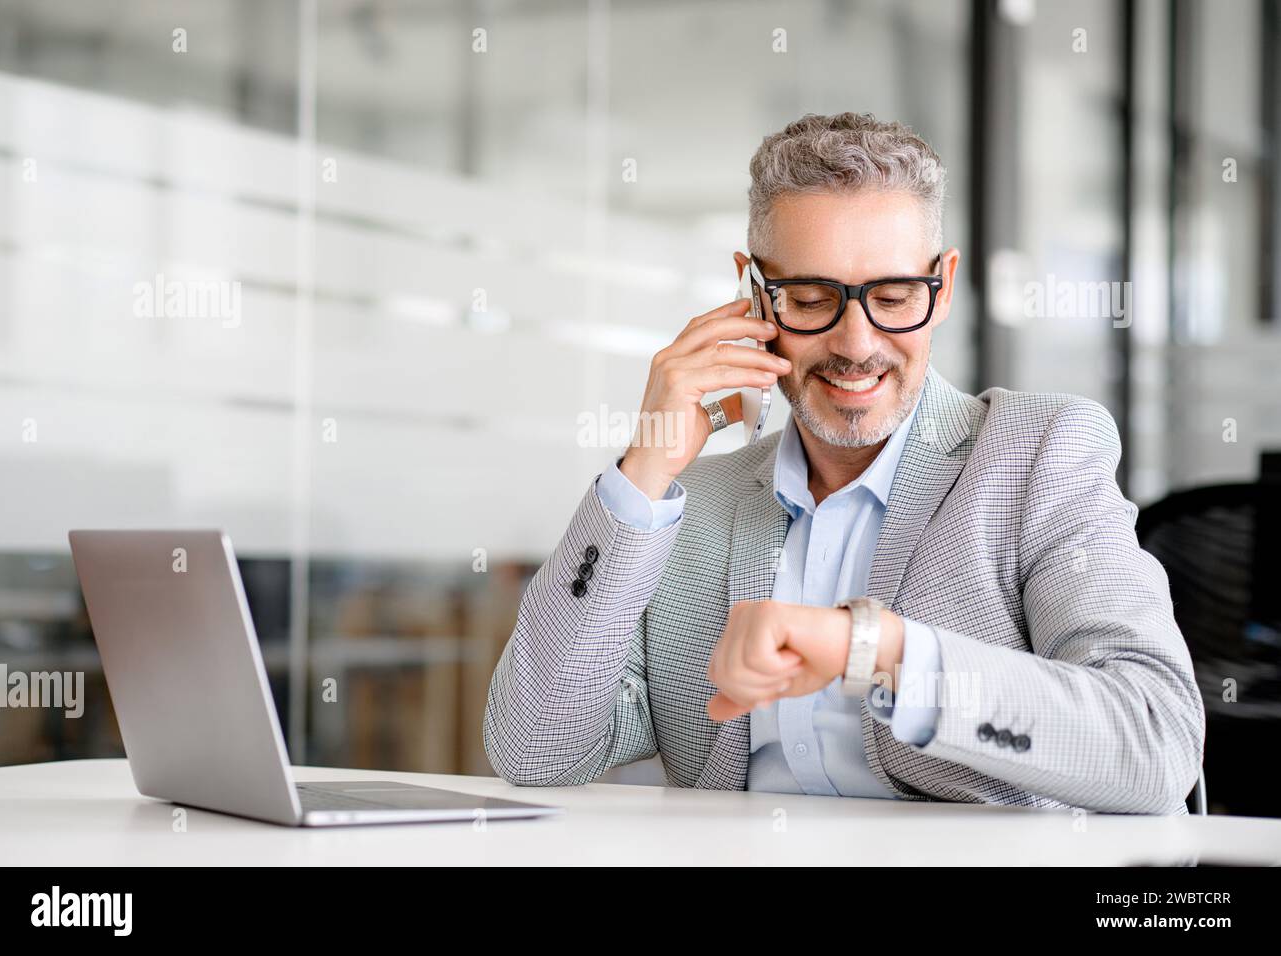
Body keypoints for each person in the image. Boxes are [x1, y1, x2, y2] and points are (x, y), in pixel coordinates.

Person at [483, 111, 1205, 813]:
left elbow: (1155, 740)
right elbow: (534, 749)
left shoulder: (1037, 455)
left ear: (943, 286)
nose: (857, 343)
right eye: (810, 297)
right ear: (752, 291)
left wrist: (876, 650)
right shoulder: (688, 507)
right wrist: (641, 474)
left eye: (894, 297)